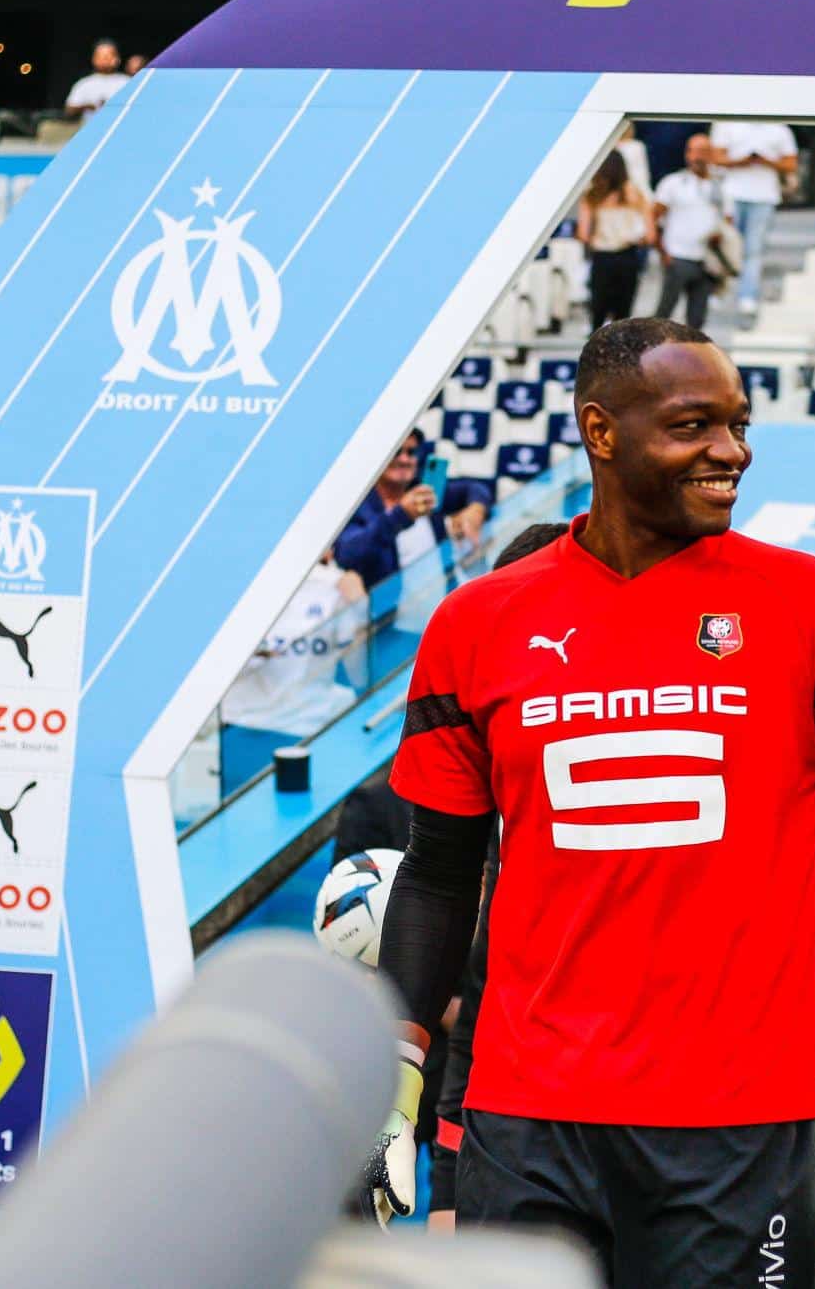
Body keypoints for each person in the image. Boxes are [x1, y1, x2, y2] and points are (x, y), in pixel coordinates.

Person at [360, 318, 815, 1285]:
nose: (731, 452)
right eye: (695, 426)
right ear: (601, 433)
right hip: (525, 1120)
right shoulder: (475, 626)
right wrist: (394, 1085)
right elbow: (437, 876)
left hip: (743, 1123)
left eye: (737, 424)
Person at [422, 521, 570, 1232]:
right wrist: (446, 1185)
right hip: (519, 1139)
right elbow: (475, 1018)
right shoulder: (482, 836)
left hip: (692, 1147)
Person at [216, 559, 364, 786]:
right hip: (243, 729)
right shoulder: (237, 582)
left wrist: (360, 607)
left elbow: (360, 675)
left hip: (310, 728)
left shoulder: (334, 585)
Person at [329, 429, 488, 592]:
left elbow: (476, 489)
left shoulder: (426, 490)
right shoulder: (358, 504)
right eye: (396, 452)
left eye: (411, 452)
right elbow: (347, 555)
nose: (404, 459)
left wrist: (475, 511)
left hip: (441, 606)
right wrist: (400, 515)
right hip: (392, 614)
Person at [709, 120, 797, 319]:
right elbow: (716, 158)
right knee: (727, 247)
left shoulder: (780, 129)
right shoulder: (729, 125)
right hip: (732, 194)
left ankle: (747, 295)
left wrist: (765, 161)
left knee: (754, 250)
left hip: (765, 196)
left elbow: (791, 163)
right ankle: (719, 290)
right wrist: (743, 161)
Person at [650, 134, 724, 330]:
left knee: (697, 319)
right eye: (696, 151)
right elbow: (653, 217)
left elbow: (728, 223)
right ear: (687, 154)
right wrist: (662, 251)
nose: (700, 157)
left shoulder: (721, 187)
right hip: (678, 256)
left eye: (705, 152)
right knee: (664, 312)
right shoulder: (673, 183)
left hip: (706, 260)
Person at [575, 152, 651, 332]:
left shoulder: (592, 196)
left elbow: (583, 234)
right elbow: (650, 235)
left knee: (597, 314)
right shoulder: (635, 194)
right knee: (622, 320)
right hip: (628, 257)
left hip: (602, 259)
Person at [65, 39, 128, 117]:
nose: (105, 59)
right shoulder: (84, 83)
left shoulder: (127, 82)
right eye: (101, 56)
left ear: (118, 58)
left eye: (109, 55)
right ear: (93, 59)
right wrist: (87, 106)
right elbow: (69, 110)